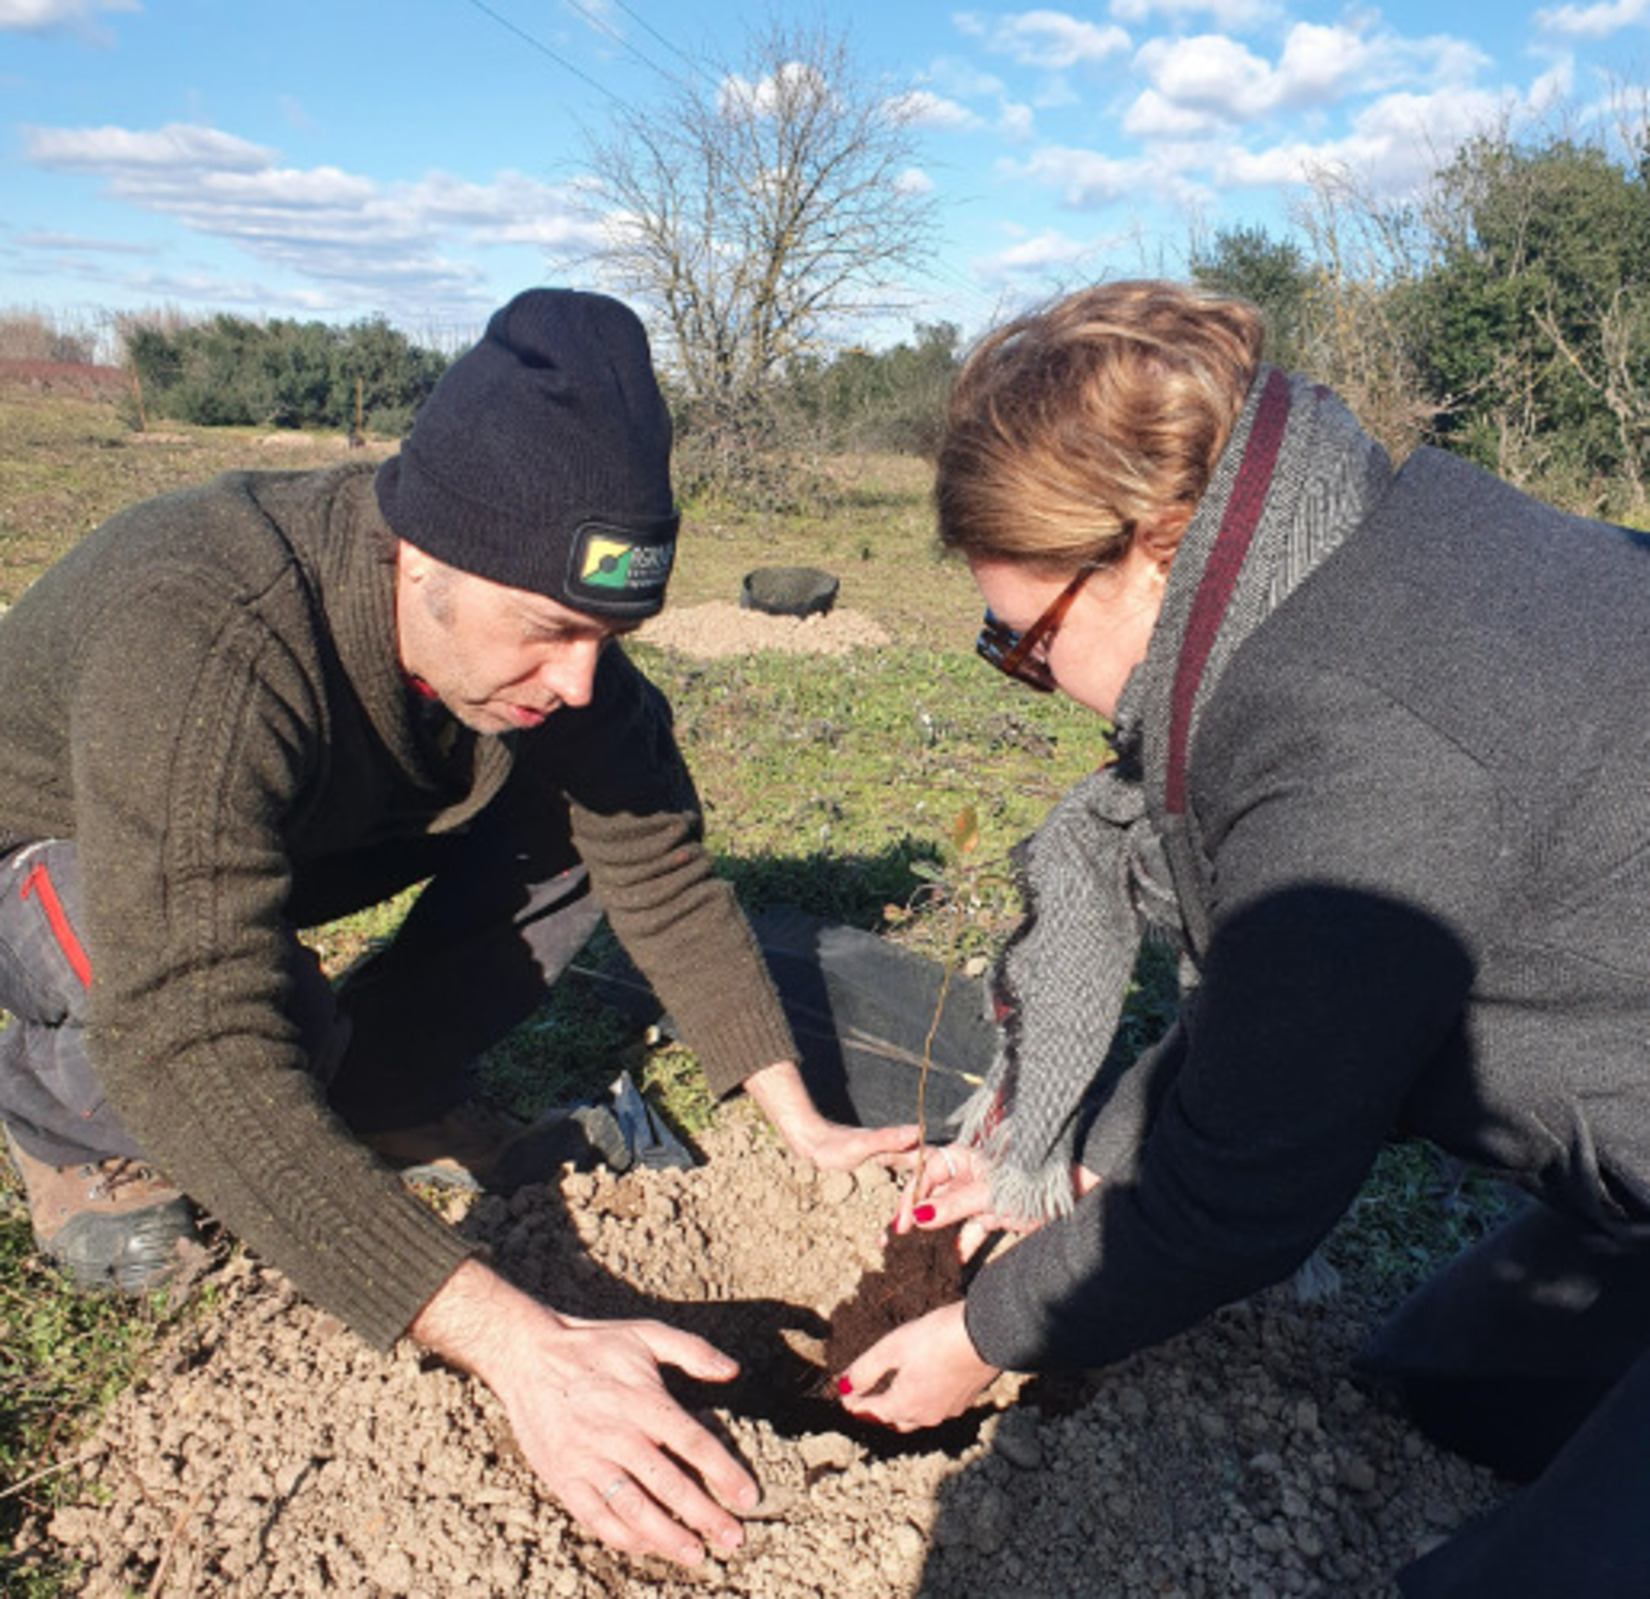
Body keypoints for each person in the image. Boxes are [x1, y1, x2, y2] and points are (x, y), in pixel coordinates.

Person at [0, 287, 915, 1570]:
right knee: (219, 1016)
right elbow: (193, 1033)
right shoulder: (207, 623)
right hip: (62, 849)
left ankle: (386, 1084)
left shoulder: (548, 643)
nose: (583, 676)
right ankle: (61, 1125)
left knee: (571, 818)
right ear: (415, 553)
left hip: (278, 835)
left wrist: (795, 1113)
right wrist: (519, 1344)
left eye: (612, 634)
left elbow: (654, 855)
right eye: (548, 630)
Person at [835, 280, 1650, 1595]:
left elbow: (1243, 1196)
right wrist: (1096, 1157)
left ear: (1152, 545)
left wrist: (984, 1332)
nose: (1035, 682)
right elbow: (1302, 1011)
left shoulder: (1355, 733)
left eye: (1026, 643)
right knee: (1424, 1388)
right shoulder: (1347, 556)